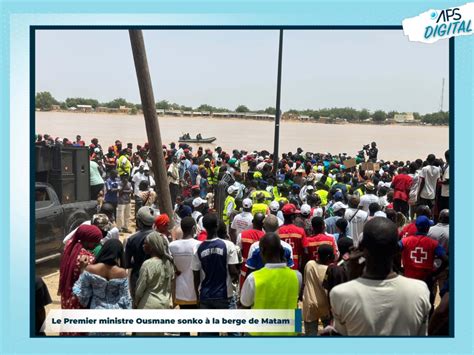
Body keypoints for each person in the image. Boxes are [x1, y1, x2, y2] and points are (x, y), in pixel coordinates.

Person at [329, 217, 431, 336]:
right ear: (397, 250)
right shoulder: (419, 290)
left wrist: (352, 277)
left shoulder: (340, 294)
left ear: (361, 247)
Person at [240, 232, 302, 336]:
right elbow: (295, 304)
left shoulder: (253, 278)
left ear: (262, 251)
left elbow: (245, 303)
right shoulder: (297, 276)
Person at [192, 213, 239, 336]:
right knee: (234, 333)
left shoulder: (198, 248)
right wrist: (235, 278)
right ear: (217, 226)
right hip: (225, 296)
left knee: (207, 335)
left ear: (204, 227)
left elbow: (195, 275)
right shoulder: (228, 245)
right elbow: (233, 270)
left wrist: (197, 296)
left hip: (205, 296)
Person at [58, 224, 103, 335]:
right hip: (79, 300)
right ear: (87, 241)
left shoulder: (70, 247)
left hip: (67, 295)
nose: (97, 244)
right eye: (95, 241)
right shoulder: (87, 258)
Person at [400, 215, 448, 308]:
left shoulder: (405, 241)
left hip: (409, 279)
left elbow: (392, 250)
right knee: (427, 304)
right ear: (428, 228)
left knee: (408, 304)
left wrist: (399, 268)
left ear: (416, 226)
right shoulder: (433, 243)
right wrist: (435, 273)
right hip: (425, 280)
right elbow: (446, 260)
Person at [73, 239, 132, 310]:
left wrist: (82, 269)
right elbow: (126, 297)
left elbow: (81, 291)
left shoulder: (90, 269)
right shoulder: (122, 272)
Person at [135, 232, 175, 311]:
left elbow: (140, 288)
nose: (143, 246)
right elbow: (171, 285)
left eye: (145, 243)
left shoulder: (148, 264)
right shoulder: (168, 263)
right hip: (164, 304)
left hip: (148, 304)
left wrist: (136, 302)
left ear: (152, 246)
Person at [124, 206, 157, 302]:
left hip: (137, 277)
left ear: (138, 221)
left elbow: (127, 263)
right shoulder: (160, 237)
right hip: (156, 277)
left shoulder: (131, 239)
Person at [169, 217, 201, 311]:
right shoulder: (199, 245)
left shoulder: (172, 246)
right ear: (193, 229)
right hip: (196, 292)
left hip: (180, 292)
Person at [302, 244, 333, 336]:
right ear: (329, 257)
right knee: (329, 333)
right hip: (325, 306)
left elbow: (305, 282)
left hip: (309, 305)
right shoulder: (329, 269)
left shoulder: (309, 264)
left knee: (311, 335)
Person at [278, 203, 307, 271]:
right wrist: (302, 268)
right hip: (296, 266)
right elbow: (305, 252)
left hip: (281, 267)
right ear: (292, 217)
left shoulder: (278, 231)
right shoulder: (300, 231)